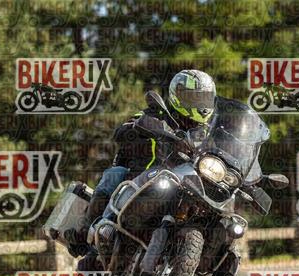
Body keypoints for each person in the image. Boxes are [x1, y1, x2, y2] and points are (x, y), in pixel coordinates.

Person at [66, 69, 216, 257]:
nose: (200, 104)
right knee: (113, 175)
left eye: (204, 99)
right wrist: (143, 129)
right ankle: (85, 232)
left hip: (182, 185)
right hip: (137, 176)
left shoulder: (208, 133)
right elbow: (122, 132)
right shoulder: (158, 113)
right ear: (178, 96)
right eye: (194, 98)